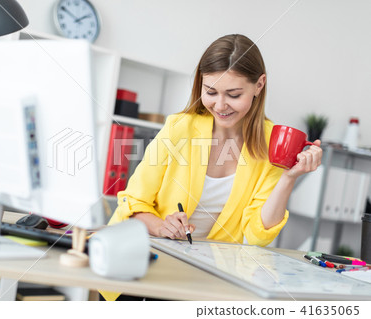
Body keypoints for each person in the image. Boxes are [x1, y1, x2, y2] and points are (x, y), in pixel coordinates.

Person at [101, 33, 322, 301]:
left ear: (259, 84)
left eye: (234, 94)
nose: (220, 105)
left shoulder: (271, 144)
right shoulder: (179, 128)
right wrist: (162, 226)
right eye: (211, 92)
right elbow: (132, 202)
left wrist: (289, 178)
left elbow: (256, 236)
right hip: (141, 272)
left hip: (203, 284)